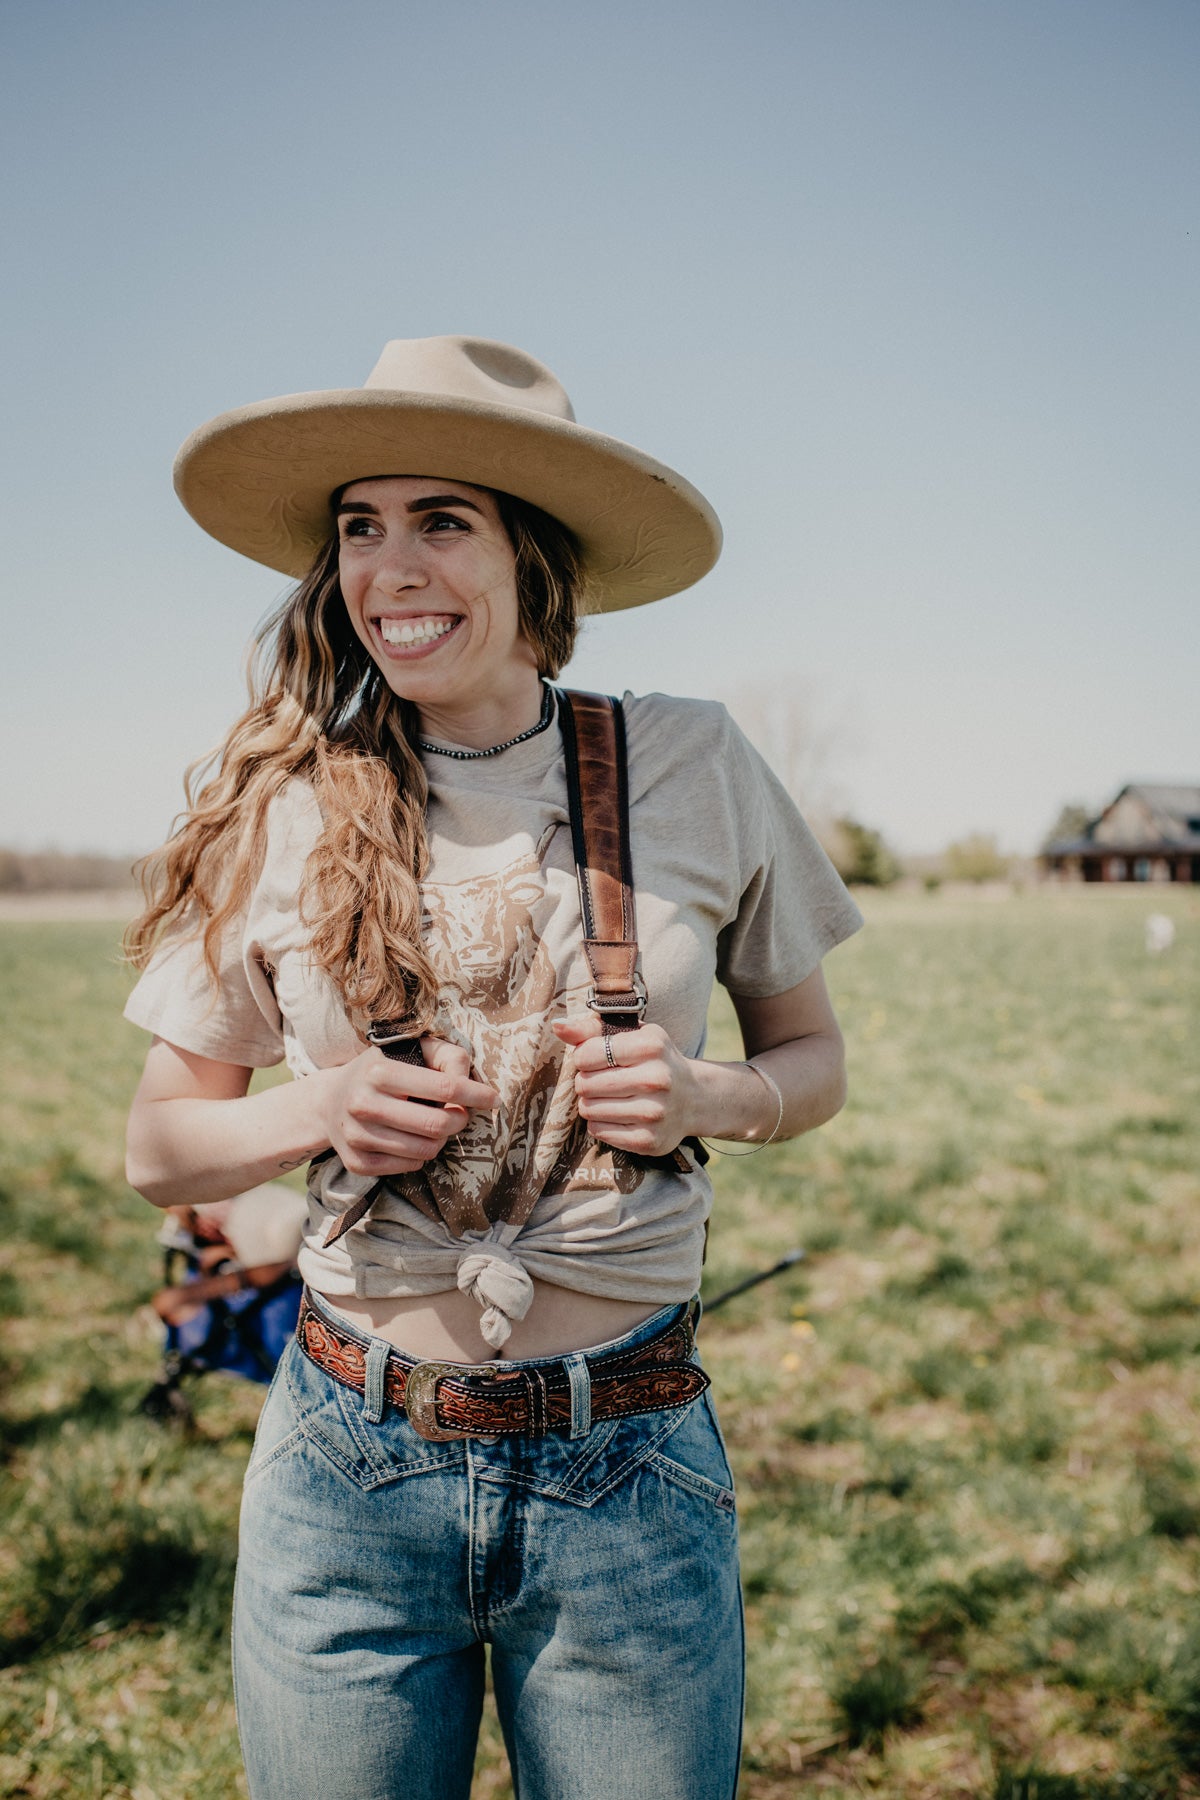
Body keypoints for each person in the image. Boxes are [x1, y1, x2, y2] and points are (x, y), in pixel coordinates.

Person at [123, 335, 862, 1800]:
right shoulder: (286, 803)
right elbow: (160, 1150)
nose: (390, 568)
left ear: (535, 559)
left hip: (628, 1470)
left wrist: (713, 1096)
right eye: (360, 527)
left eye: (442, 521)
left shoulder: (694, 762)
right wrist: (321, 1107)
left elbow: (814, 1058)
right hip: (348, 1475)